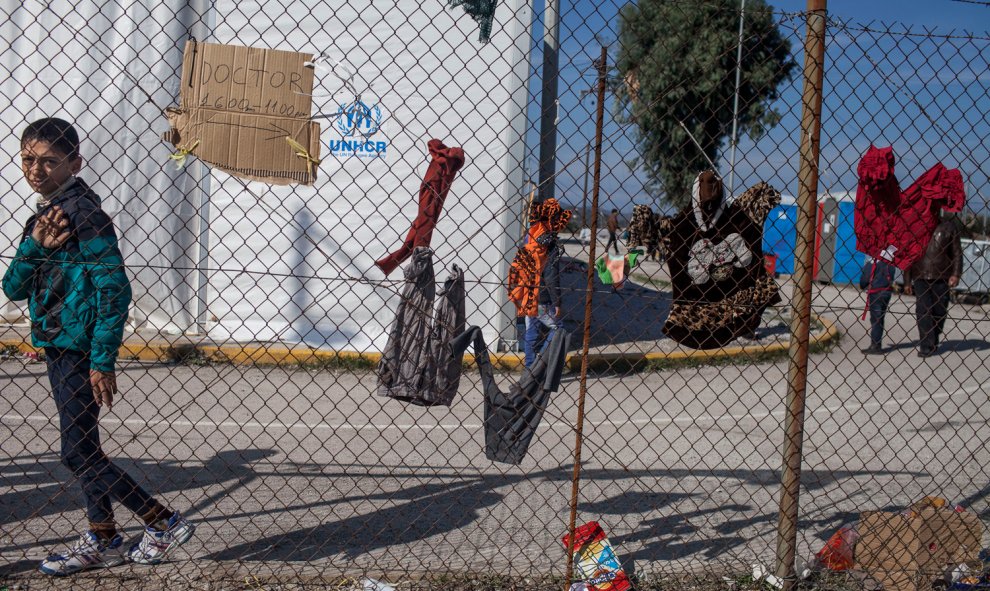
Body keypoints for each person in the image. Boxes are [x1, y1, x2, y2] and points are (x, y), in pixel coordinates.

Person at [2, 118, 195, 575]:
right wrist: (33, 245)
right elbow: (12, 287)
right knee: (84, 447)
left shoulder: (82, 214)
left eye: (49, 161)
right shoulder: (45, 216)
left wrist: (101, 359)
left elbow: (115, 290)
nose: (36, 170)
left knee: (77, 453)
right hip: (57, 343)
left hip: (79, 347)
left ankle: (160, 520)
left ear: (75, 162)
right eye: (28, 159)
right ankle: (102, 535)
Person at [903, 215, 962, 357]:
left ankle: (933, 338)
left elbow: (957, 253)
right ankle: (926, 345)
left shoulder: (948, 226)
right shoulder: (914, 225)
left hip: (942, 275)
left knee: (939, 311)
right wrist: (907, 280)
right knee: (923, 310)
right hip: (920, 274)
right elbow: (908, 254)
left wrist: (956, 274)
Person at [523, 231, 563, 368]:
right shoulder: (550, 246)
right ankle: (542, 363)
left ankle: (530, 367)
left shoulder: (529, 240)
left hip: (528, 293)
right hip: (542, 297)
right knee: (559, 329)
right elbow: (551, 277)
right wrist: (557, 302)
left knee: (532, 331)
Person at [859, 256, 896, 354]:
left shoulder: (871, 263)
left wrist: (864, 285)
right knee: (880, 317)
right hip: (886, 293)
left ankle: (875, 345)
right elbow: (892, 276)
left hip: (875, 293)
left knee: (875, 319)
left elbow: (864, 280)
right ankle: (877, 343)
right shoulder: (890, 263)